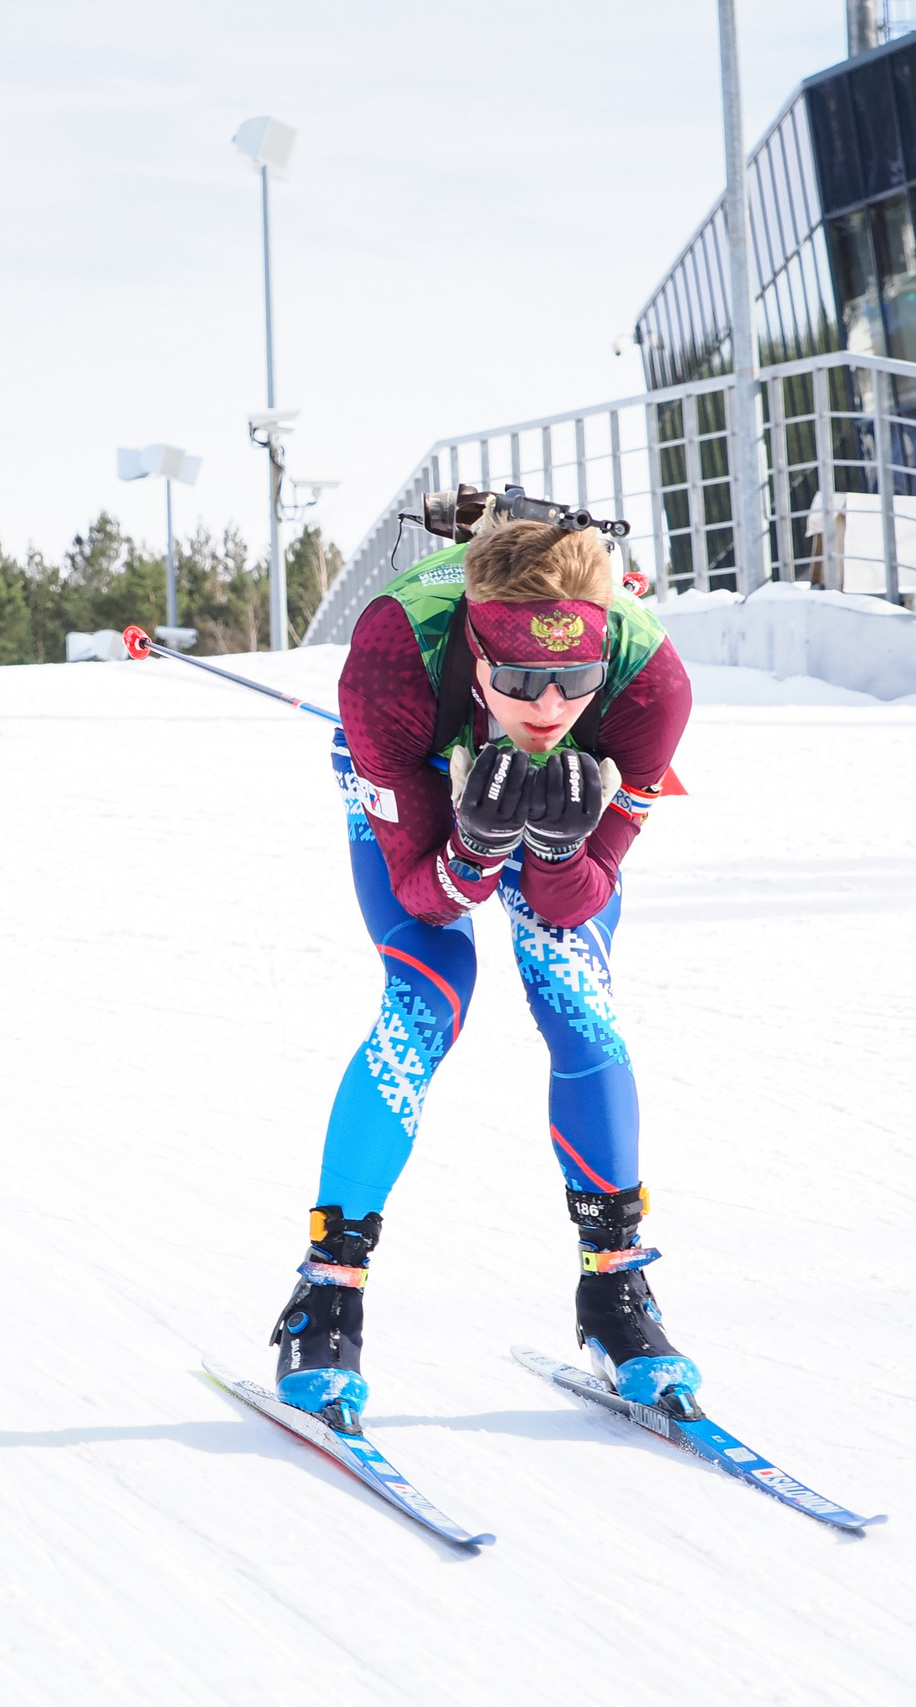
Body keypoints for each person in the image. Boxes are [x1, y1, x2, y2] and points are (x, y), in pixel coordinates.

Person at [268, 513, 695, 1431]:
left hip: (546, 791)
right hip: (418, 754)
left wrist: (552, 847)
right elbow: (428, 897)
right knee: (428, 996)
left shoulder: (650, 686)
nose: (548, 708)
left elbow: (578, 900)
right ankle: (326, 1289)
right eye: (519, 680)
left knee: (576, 997)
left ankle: (615, 1289)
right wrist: (471, 848)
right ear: (474, 641)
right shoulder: (392, 654)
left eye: (573, 680)